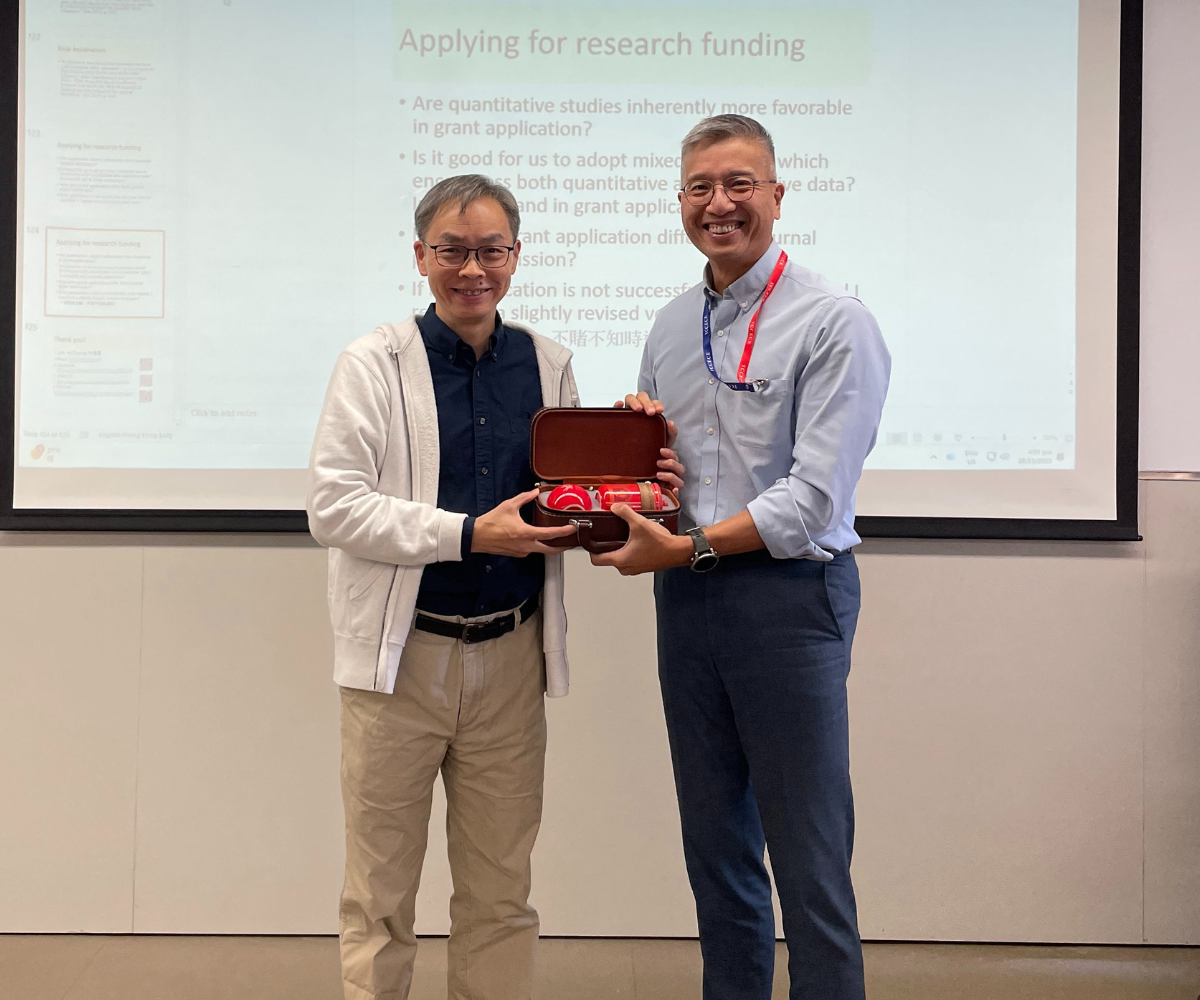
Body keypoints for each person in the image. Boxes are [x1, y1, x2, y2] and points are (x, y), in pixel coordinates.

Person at [308, 174, 681, 1000]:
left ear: (516, 256)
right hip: (400, 665)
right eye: (452, 250)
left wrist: (636, 469)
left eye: (490, 251)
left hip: (511, 659)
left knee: (501, 892)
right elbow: (333, 507)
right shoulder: (373, 364)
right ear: (421, 257)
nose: (472, 269)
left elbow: (566, 499)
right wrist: (470, 534)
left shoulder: (548, 365)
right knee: (379, 894)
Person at [594, 115, 891, 999]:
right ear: (681, 200)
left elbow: (812, 502)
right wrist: (641, 480)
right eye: (700, 188)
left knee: (809, 860)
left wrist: (684, 544)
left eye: (738, 185)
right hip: (689, 603)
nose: (718, 204)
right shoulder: (670, 327)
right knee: (716, 851)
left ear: (776, 195)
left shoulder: (834, 322)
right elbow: (669, 484)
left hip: (791, 600)